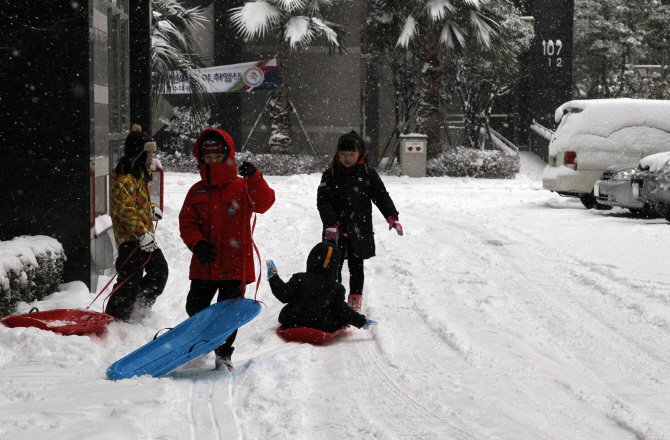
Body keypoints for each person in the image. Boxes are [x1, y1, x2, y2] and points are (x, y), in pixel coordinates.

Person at [179, 128, 275, 371]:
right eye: (207, 158)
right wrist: (197, 243)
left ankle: (223, 353)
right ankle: (200, 343)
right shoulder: (196, 191)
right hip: (204, 263)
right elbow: (186, 222)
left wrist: (255, 178)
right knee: (195, 307)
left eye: (217, 157)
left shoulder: (242, 186)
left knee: (228, 315)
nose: (212, 162)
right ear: (201, 159)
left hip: (235, 264)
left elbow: (265, 203)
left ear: (227, 156)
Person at [317, 130, 402, 312]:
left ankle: (355, 301)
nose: (347, 158)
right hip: (336, 229)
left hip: (358, 228)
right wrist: (330, 223)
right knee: (333, 265)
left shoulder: (367, 174)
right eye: (343, 154)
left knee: (356, 266)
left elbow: (381, 196)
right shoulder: (330, 174)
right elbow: (322, 201)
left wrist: (391, 216)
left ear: (360, 154)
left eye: (351, 154)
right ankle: (333, 300)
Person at [107, 124, 169, 322]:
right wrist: (141, 232)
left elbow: (137, 202)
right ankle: (116, 319)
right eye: (148, 155)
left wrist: (150, 208)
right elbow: (125, 211)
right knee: (128, 280)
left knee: (159, 271)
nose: (151, 159)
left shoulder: (138, 176)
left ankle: (138, 309)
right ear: (138, 154)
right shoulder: (124, 179)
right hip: (131, 239)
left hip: (144, 236)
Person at [266, 242, 377, 332]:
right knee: (338, 315)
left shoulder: (299, 278)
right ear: (335, 267)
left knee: (288, 309)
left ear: (311, 260)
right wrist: (361, 321)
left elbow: (283, 294)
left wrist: (273, 277)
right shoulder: (336, 287)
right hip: (322, 324)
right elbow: (342, 311)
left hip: (293, 319)